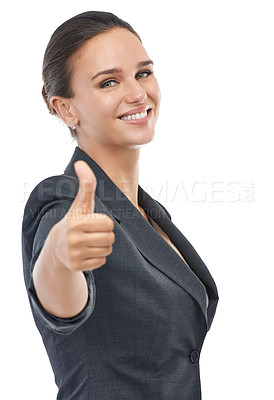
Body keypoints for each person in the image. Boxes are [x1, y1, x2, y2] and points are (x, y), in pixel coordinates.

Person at [21, 10, 219, 400]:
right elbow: (60, 303)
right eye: (109, 81)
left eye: (143, 73)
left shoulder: (151, 213)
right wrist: (58, 258)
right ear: (65, 109)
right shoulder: (64, 202)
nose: (137, 93)